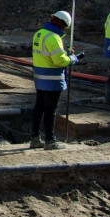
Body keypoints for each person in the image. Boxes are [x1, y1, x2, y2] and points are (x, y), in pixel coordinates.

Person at [30, 10, 79, 150]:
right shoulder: (53, 37)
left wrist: (65, 54)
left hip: (40, 78)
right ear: (61, 24)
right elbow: (59, 61)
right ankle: (50, 141)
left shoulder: (39, 34)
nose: (64, 30)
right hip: (53, 80)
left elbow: (48, 54)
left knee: (39, 107)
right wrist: (72, 59)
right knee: (50, 110)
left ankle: (35, 138)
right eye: (65, 27)